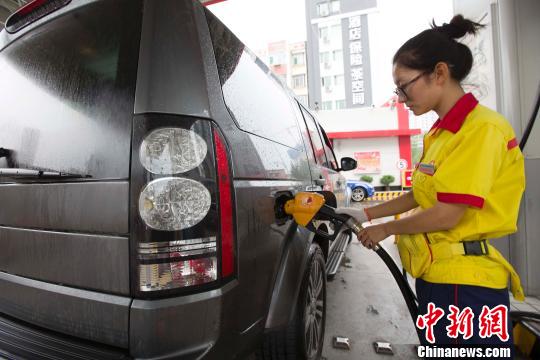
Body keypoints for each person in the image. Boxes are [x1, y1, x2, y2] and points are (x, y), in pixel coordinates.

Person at [337, 15, 525, 350]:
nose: (400, 97)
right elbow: (419, 195)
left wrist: (387, 229)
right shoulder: (440, 133)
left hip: (466, 288)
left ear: (439, 73)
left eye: (404, 85)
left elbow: (448, 213)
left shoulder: (481, 129)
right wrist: (365, 215)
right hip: (438, 276)